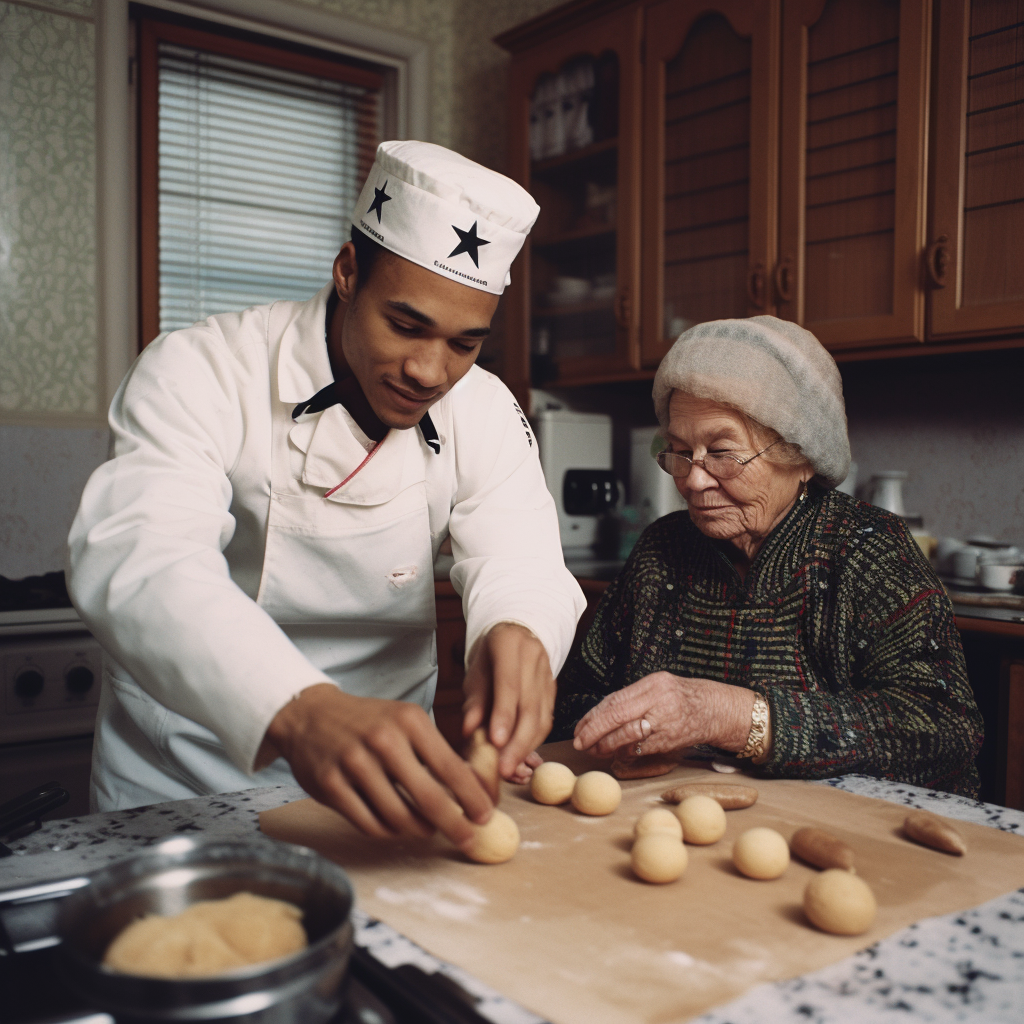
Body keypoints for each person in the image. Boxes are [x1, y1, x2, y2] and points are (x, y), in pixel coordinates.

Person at [68, 141, 585, 849]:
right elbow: (139, 559)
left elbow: (523, 561)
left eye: (466, 344)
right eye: (405, 325)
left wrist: (518, 630)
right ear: (347, 273)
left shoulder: (485, 410)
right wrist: (300, 710)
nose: (430, 370)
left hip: (385, 792)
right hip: (181, 786)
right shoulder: (200, 370)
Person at [553, 316, 983, 797]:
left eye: (721, 451)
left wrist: (731, 716)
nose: (693, 481)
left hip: (858, 834)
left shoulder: (868, 549)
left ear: (800, 455)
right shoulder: (662, 550)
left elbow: (945, 728)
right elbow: (576, 698)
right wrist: (622, 737)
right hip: (684, 823)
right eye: (678, 452)